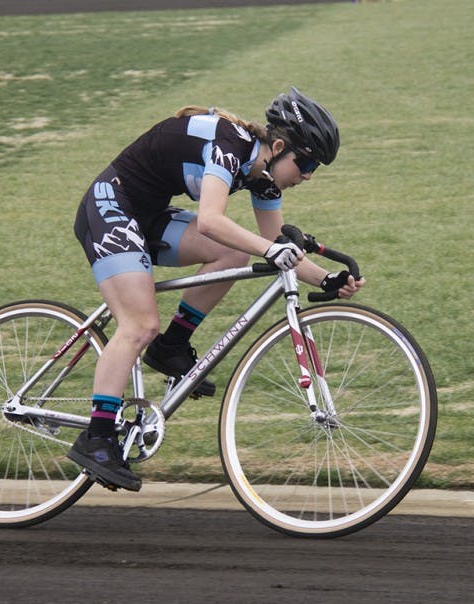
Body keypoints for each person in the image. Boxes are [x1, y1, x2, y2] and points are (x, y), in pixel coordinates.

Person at [67, 87, 365, 491]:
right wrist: (271, 249)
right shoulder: (229, 145)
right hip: (111, 207)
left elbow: (276, 243)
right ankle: (97, 438)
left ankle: (172, 346)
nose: (309, 175)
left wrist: (327, 278)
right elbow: (210, 220)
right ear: (278, 146)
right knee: (138, 325)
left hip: (147, 215)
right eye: (306, 162)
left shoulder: (263, 176)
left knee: (233, 253)